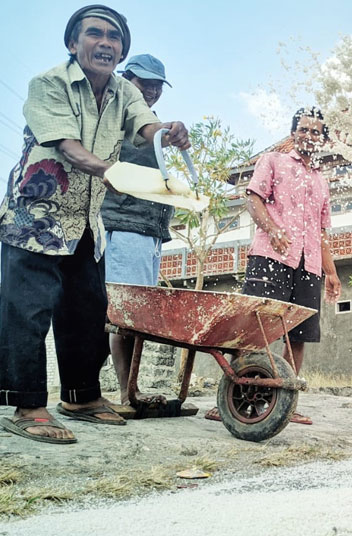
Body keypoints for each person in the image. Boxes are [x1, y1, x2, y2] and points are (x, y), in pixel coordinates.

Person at [0, 5, 190, 444]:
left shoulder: (125, 91)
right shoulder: (49, 83)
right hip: (37, 215)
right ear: (74, 43)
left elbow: (147, 126)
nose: (106, 43)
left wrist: (169, 131)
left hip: (87, 220)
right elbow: (66, 144)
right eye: (95, 34)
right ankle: (27, 405)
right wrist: (110, 170)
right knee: (29, 309)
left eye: (114, 38)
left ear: (122, 51)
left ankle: (81, 397)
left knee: (87, 309)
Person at [205, 107, 341, 425]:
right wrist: (273, 229)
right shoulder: (273, 161)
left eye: (315, 132)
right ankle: (227, 400)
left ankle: (283, 404)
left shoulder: (322, 180)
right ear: (294, 134)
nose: (309, 136)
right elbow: (253, 200)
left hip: (308, 266)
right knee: (254, 330)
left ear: (322, 139)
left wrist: (331, 271)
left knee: (299, 336)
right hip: (271, 257)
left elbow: (321, 231)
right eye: (304, 130)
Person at [100, 54, 174, 408]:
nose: (151, 91)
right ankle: (125, 393)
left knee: (132, 314)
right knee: (123, 314)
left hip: (148, 228)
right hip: (124, 223)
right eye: (144, 82)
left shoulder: (150, 123)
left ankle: (127, 389)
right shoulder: (114, 117)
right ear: (125, 78)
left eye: (157, 85)